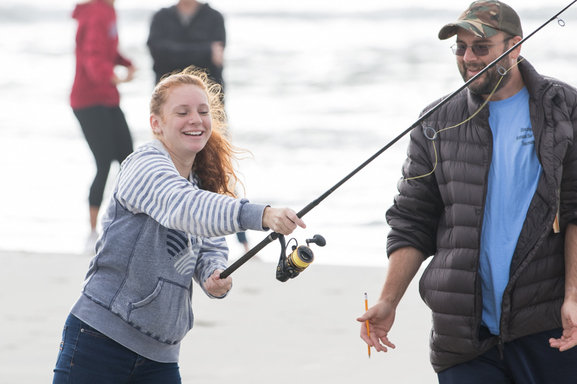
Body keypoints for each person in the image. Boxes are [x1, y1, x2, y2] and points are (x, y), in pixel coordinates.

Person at [357, 1, 577, 382]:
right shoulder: (436, 122)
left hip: (547, 323)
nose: (468, 57)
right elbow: (412, 219)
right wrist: (388, 300)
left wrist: (573, 295)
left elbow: (575, 210)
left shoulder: (563, 108)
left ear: (516, 45)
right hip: (462, 334)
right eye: (460, 47)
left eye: (481, 47)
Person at [52, 67, 306, 383]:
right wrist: (263, 215)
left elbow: (209, 241)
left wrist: (212, 274)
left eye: (202, 112)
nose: (195, 120)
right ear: (156, 124)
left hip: (161, 354)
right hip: (100, 338)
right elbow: (182, 207)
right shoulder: (143, 165)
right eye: (182, 112)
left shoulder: (202, 181)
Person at [70, 0, 137, 253]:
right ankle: (92, 233)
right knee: (104, 162)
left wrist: (126, 62)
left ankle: (127, 224)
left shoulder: (109, 9)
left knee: (128, 159)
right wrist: (111, 76)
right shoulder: (97, 12)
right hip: (88, 100)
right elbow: (92, 56)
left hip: (108, 99)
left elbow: (109, 50)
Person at [147, 0, 225, 86]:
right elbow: (158, 53)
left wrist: (174, 53)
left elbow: (217, 58)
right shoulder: (161, 17)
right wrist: (207, 52)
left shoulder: (214, 17)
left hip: (208, 92)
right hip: (167, 91)